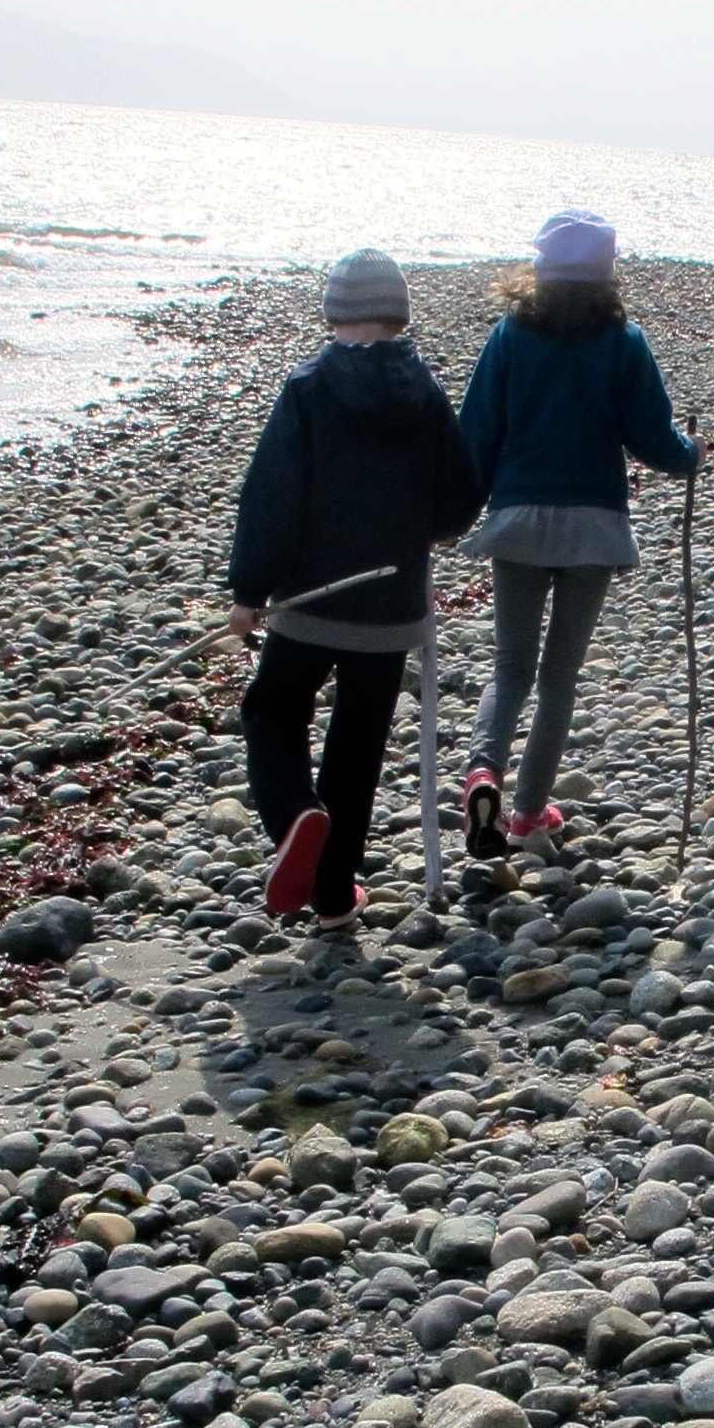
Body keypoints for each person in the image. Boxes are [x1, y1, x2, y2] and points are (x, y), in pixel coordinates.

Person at [226, 247, 483, 926]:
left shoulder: (310, 388)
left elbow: (272, 494)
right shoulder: (425, 392)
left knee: (273, 711)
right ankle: (334, 895)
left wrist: (248, 590)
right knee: (358, 743)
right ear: (399, 316)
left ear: (333, 314)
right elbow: (459, 494)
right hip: (391, 605)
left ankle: (294, 814)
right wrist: (434, 527)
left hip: (310, 600)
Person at [457, 209, 698, 858]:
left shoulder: (511, 335)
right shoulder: (623, 342)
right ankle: (528, 814)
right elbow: (650, 435)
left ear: (540, 269)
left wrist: (453, 515)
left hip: (519, 521)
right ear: (607, 275)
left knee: (510, 667)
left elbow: (477, 432)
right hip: (593, 528)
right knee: (559, 676)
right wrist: (689, 456)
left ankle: (483, 774)